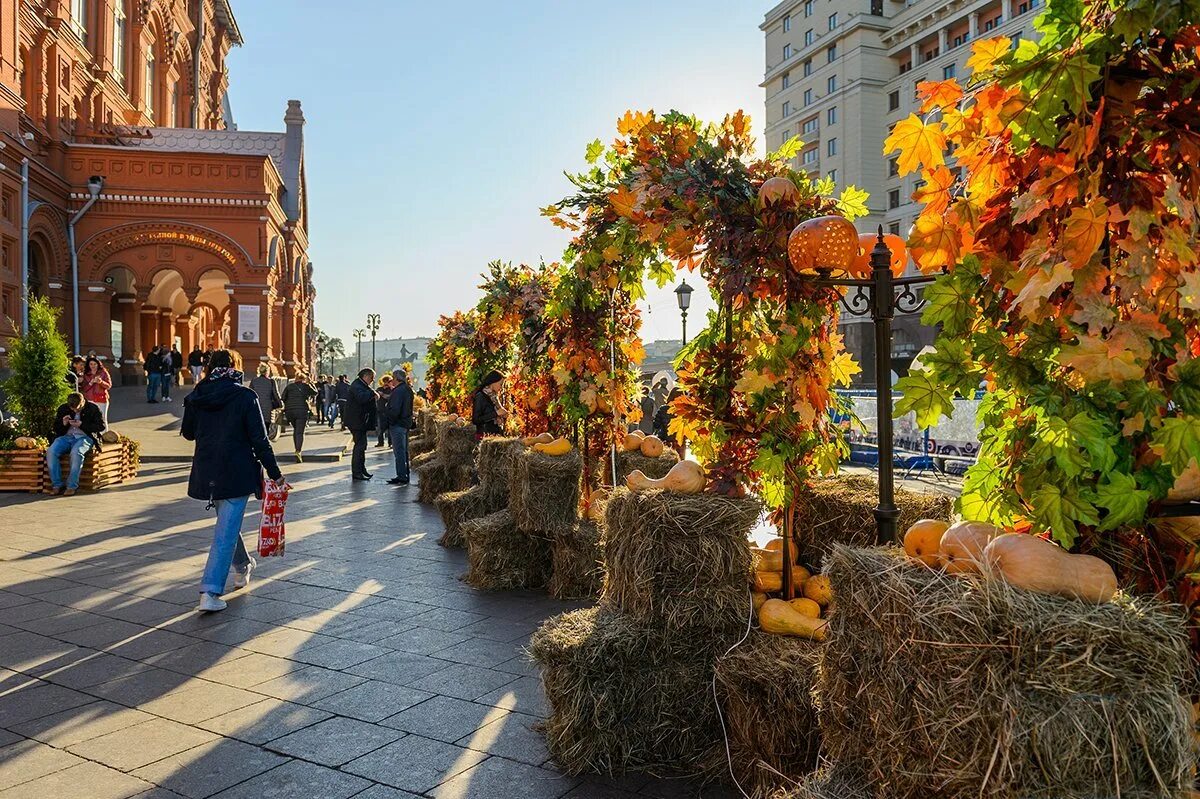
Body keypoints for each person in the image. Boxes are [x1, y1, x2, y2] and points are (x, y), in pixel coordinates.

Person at [182, 349, 284, 613]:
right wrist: (275, 473)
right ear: (236, 366)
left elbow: (189, 434)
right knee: (225, 532)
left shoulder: (197, 395)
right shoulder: (245, 396)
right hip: (237, 471)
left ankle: (243, 566)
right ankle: (210, 591)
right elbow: (259, 439)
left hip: (208, 470)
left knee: (227, 525)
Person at [44, 392, 106, 497]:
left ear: (82, 402)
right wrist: (63, 423)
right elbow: (56, 428)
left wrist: (82, 425)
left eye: (77, 408)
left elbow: (101, 426)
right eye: (72, 409)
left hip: (85, 437)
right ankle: (57, 484)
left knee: (76, 453)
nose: (75, 411)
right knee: (51, 451)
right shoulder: (64, 408)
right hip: (67, 437)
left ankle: (72, 486)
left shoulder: (92, 408)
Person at [343, 368, 377, 480]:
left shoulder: (360, 384)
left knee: (362, 446)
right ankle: (357, 472)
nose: (372, 380)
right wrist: (372, 393)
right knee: (360, 446)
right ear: (366, 376)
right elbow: (362, 398)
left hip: (359, 420)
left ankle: (362, 469)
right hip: (356, 421)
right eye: (371, 378)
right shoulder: (357, 385)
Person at [386, 368, 415, 485]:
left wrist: (389, 417)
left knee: (399, 452)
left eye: (393, 378)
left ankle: (401, 476)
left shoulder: (398, 391)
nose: (392, 380)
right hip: (405, 423)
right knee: (403, 451)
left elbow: (395, 409)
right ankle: (404, 474)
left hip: (398, 423)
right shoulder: (407, 389)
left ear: (397, 378)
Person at [281, 372, 318, 462]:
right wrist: (311, 383)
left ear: (296, 378)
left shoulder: (289, 387)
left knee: (296, 430)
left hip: (290, 411)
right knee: (299, 432)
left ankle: (296, 449)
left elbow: (283, 398)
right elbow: (315, 393)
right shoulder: (306, 386)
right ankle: (298, 451)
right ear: (304, 379)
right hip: (302, 411)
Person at [471, 370, 507, 437]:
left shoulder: (494, 397)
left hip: (494, 436)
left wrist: (503, 415)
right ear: (493, 382)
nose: (501, 387)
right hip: (483, 437)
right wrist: (496, 413)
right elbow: (475, 420)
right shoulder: (480, 396)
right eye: (501, 384)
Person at [81, 356, 113, 426]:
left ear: (98, 364)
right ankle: (93, 435)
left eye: (94, 364)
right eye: (91, 364)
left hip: (101, 399)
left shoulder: (103, 372)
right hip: (90, 399)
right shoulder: (86, 374)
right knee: (91, 418)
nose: (93, 366)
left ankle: (104, 435)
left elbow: (109, 386)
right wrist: (91, 383)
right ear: (88, 365)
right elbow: (84, 389)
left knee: (102, 418)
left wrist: (101, 382)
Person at [249, 365, 282, 433]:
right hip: (267, 407)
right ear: (267, 371)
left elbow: (250, 393)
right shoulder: (271, 381)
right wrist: (281, 404)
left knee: (257, 427)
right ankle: (264, 440)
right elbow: (276, 394)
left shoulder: (254, 381)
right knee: (266, 427)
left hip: (256, 407)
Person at [375, 375, 394, 448]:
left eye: (388, 381)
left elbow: (389, 397)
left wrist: (382, 394)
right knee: (380, 428)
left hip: (389, 411)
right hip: (380, 410)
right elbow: (376, 396)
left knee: (390, 428)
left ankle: (390, 443)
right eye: (386, 381)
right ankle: (380, 442)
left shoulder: (392, 389)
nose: (387, 383)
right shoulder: (379, 389)